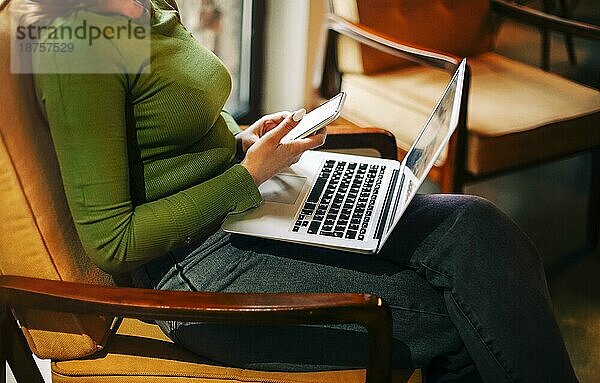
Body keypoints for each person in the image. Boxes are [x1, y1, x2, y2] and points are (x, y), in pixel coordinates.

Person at [23, 0, 577, 381]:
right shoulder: (78, 43)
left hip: (246, 210)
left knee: (475, 228)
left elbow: (158, 135)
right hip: (197, 276)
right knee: (457, 309)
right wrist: (247, 176)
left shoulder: (147, 4)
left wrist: (242, 143)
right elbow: (113, 242)